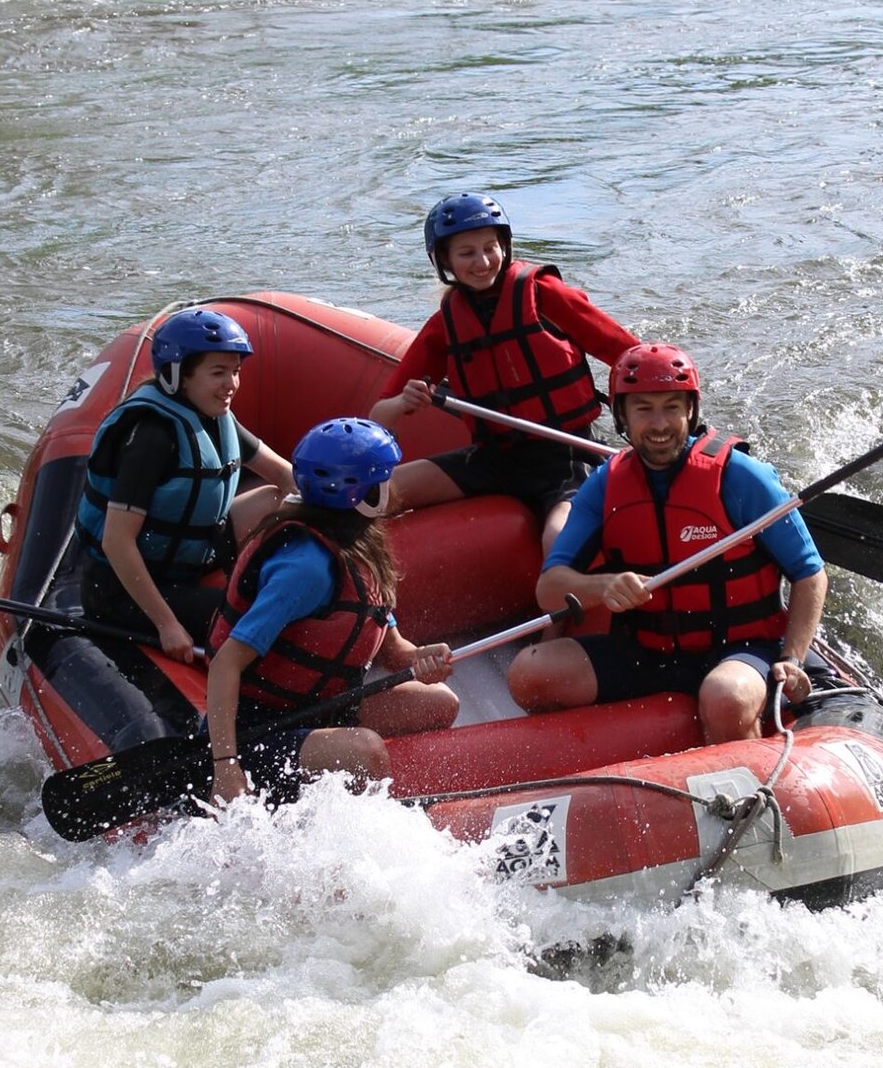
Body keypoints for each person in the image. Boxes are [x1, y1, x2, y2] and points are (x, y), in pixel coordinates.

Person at [507, 343, 828, 744]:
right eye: (643, 409)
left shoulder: (742, 477)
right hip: (645, 652)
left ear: (690, 411)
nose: (659, 424)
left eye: (671, 407)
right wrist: (601, 587)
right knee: (529, 674)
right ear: (622, 415)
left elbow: (809, 573)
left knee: (726, 696)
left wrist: (792, 658)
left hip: (741, 649)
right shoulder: (605, 485)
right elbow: (550, 587)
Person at [205, 417, 459, 807]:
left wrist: (421, 658)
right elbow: (226, 663)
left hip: (317, 708)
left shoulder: (357, 545)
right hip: (257, 728)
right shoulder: (304, 569)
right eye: (384, 478)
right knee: (365, 751)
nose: (392, 486)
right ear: (360, 493)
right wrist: (226, 765)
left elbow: (395, 651)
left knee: (440, 701)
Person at [369, 191, 637, 548]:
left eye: (490, 247)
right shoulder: (446, 323)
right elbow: (379, 413)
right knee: (373, 496)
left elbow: (629, 355)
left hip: (567, 455)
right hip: (493, 458)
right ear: (445, 262)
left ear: (504, 247)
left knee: (558, 538)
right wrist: (403, 401)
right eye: (467, 253)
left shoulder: (543, 293)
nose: (482, 262)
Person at [74, 306, 295, 662]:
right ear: (177, 376)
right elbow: (116, 540)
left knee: (276, 498)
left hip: (188, 558)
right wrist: (167, 624)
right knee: (256, 617)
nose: (232, 384)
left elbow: (284, 476)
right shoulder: (153, 436)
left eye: (236, 372)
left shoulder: (216, 417)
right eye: (218, 373)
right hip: (120, 590)